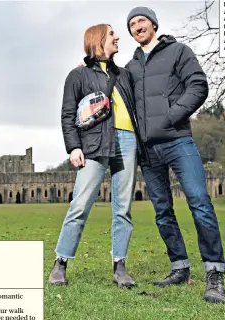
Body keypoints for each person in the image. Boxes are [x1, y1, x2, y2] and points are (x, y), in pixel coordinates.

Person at [125, 7, 225, 303]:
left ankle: (214, 273)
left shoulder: (179, 51)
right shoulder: (130, 67)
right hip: (148, 150)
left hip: (178, 140)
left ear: (153, 24)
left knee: (199, 202)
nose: (136, 26)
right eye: (131, 24)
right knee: (162, 212)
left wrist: (171, 117)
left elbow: (198, 85)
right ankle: (179, 266)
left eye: (141, 20)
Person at [49, 23, 144, 289]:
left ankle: (120, 266)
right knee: (80, 204)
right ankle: (61, 262)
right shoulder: (77, 76)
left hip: (127, 140)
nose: (118, 38)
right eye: (112, 34)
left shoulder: (123, 74)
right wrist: (73, 147)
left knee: (123, 207)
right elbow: (68, 115)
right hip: (93, 143)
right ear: (97, 40)